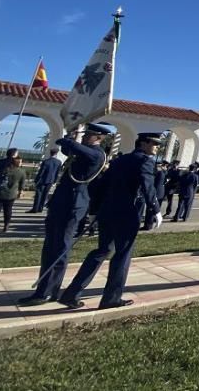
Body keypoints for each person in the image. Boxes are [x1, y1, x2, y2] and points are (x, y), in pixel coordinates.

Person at [57, 132, 163, 310]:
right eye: (154, 143)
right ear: (143, 144)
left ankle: (71, 293)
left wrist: (94, 210)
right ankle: (111, 298)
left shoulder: (119, 161)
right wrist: (156, 210)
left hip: (107, 213)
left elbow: (100, 185)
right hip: (127, 214)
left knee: (102, 251)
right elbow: (147, 186)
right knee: (122, 255)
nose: (157, 147)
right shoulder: (145, 161)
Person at [19, 123, 109, 306]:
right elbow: (66, 147)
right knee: (50, 246)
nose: (84, 137)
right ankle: (44, 289)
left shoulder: (97, 154)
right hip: (61, 202)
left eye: (89, 135)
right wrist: (70, 136)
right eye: (85, 135)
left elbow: (71, 145)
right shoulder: (82, 152)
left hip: (73, 205)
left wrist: (71, 136)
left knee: (60, 247)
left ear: (99, 137)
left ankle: (48, 291)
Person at [0, 150, 26, 233]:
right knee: (8, 210)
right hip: (11, 194)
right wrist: (20, 192)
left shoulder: (4, 170)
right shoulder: (21, 172)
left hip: (0, 192)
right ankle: (6, 225)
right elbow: (22, 184)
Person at [30, 148, 62, 213]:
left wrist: (36, 180)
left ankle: (35, 208)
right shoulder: (59, 162)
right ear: (56, 154)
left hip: (43, 180)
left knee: (39, 194)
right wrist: (55, 180)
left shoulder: (46, 161)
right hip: (51, 180)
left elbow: (41, 172)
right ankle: (41, 208)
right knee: (45, 194)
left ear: (50, 153)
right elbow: (57, 172)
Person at [144, 161, 167, 230]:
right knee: (155, 209)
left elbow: (154, 184)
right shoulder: (163, 173)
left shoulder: (158, 173)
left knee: (150, 210)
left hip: (156, 193)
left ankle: (148, 225)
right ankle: (151, 223)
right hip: (160, 192)